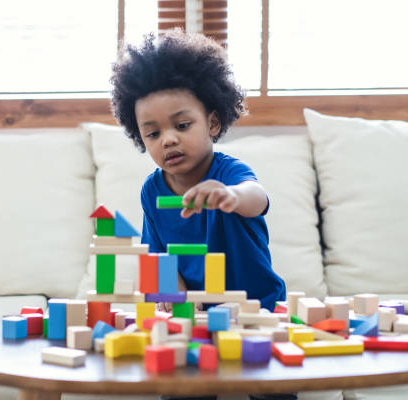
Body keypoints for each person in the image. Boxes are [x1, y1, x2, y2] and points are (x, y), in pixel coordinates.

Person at [110, 30, 295, 400]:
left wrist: (230, 196)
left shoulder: (228, 173)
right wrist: (169, 290)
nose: (168, 140)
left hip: (257, 305)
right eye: (153, 133)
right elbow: (158, 252)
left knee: (273, 386)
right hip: (198, 312)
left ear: (212, 123)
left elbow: (257, 198)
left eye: (182, 125)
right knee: (180, 387)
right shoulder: (152, 189)